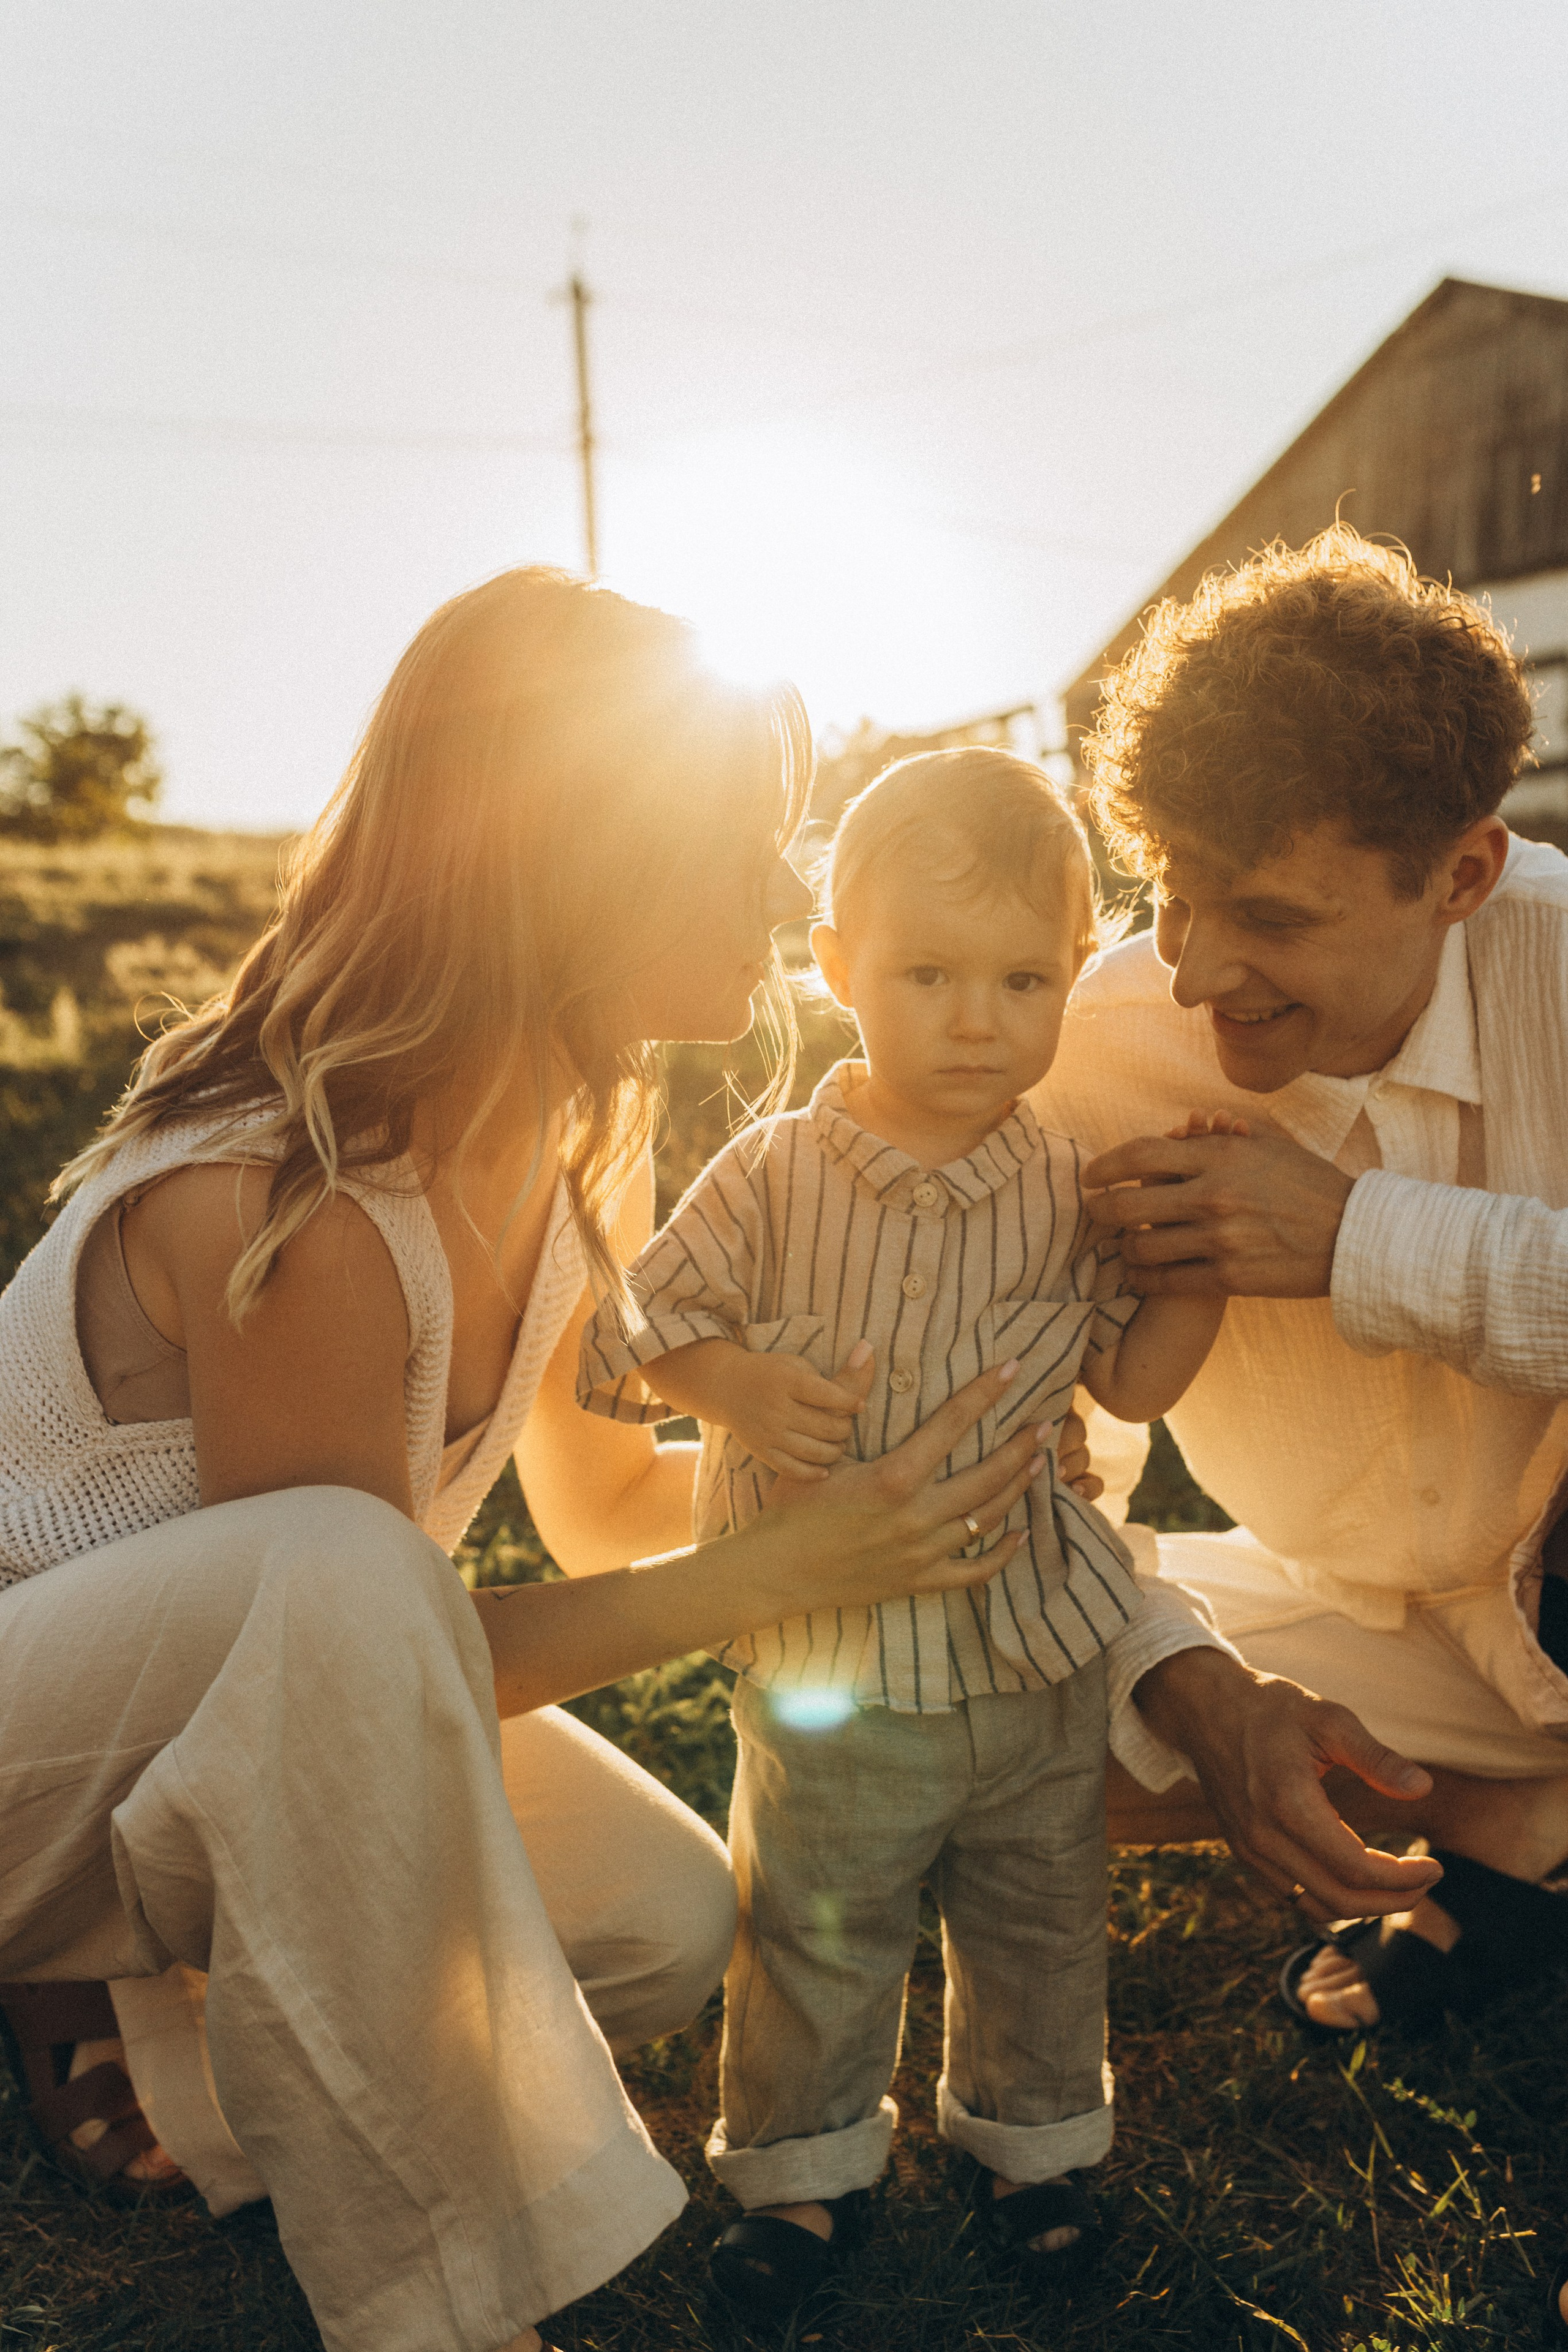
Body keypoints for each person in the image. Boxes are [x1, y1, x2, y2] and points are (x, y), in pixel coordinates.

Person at [0, 570, 1050, 2352]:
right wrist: (770, 1583)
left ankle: (128, 2000)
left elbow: (596, 1508)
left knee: (653, 1922)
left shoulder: (578, 1132)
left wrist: (832, 1480)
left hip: (220, 1732)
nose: (791, 893)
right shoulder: (300, 1187)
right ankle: (444, 2306)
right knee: (345, 1565)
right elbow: (326, 1659)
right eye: (739, 839)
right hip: (55, 1729)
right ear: (561, 858)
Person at [577, 749, 1226, 2322]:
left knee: (1036, 1914)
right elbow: (632, 1332)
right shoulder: (776, 1174)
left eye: (1020, 978)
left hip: (1032, 1652)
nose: (974, 1018)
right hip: (832, 1662)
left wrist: (1201, 1270)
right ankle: (799, 2179)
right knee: (816, 1920)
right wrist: (728, 1380)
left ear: (1073, 977)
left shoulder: (1070, 1192)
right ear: (836, 967)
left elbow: (1130, 1374)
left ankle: (1029, 2144)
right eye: (926, 974)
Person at [1030, 525, 1568, 2038]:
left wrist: (1354, 1242)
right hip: (1335, 1633)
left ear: (1460, 873)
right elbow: (1050, 1469)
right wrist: (1192, 1683)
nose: (1195, 974)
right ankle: (1507, 1824)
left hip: (1553, 1598)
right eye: (1171, 899)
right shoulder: (1091, 1053)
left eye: (1269, 918)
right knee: (917, 1688)